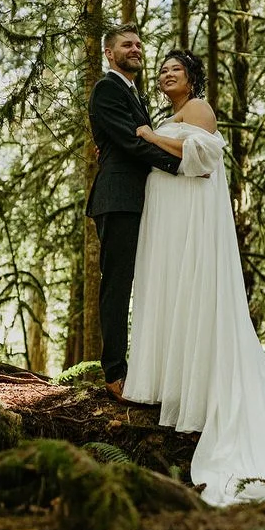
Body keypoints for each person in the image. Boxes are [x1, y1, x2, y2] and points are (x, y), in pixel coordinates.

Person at [123, 48, 265, 507]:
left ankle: (204, 402)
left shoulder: (197, 109)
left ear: (192, 78)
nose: (165, 74)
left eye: (175, 69)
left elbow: (203, 155)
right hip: (171, 215)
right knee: (173, 293)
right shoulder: (171, 113)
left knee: (192, 292)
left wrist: (152, 137)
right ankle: (172, 385)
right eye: (162, 70)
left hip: (190, 215)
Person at [86, 24, 182, 401]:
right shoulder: (107, 88)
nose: (136, 49)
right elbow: (130, 142)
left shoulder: (132, 93)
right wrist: (181, 163)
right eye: (127, 45)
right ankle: (114, 372)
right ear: (110, 53)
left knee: (144, 283)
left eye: (139, 44)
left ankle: (143, 368)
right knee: (117, 284)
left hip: (139, 200)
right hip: (119, 198)